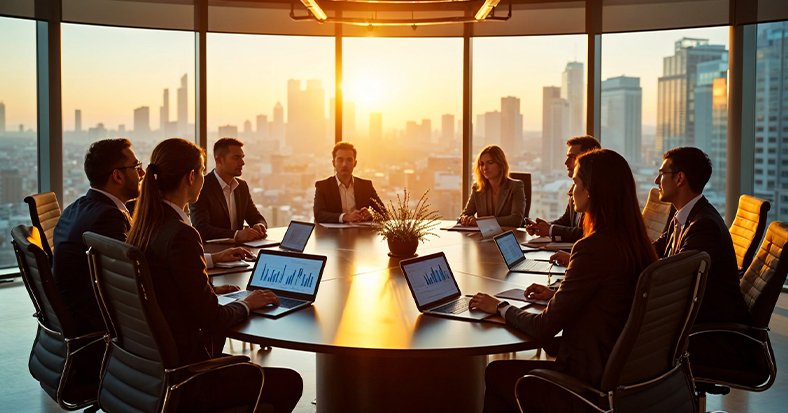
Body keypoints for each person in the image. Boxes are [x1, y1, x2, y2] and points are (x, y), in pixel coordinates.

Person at [469, 149, 657, 413]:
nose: (571, 191)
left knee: (497, 372)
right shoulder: (636, 242)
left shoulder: (592, 248)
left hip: (586, 381)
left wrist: (500, 306)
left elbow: (544, 326)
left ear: (592, 191)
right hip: (624, 375)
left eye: (576, 183)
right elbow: (605, 292)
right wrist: (558, 293)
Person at [127, 138, 302, 413]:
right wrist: (248, 302)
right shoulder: (181, 234)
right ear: (191, 176)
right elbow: (213, 319)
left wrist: (209, 290)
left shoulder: (144, 225)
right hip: (189, 377)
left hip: (148, 370)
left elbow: (168, 285)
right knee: (290, 381)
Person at [652, 147, 751, 368]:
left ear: (679, 179)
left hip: (709, 336)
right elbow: (653, 252)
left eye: (662, 173)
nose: (657, 179)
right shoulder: (684, 216)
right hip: (692, 323)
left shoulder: (703, 225)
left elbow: (677, 280)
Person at [53, 138, 143, 334]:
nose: (142, 173)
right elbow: (132, 280)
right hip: (99, 325)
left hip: (74, 317)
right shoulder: (108, 218)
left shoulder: (77, 207)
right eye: (136, 167)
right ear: (117, 176)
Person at [190, 137, 268, 242]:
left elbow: (255, 216)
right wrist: (236, 235)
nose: (242, 162)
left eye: (242, 157)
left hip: (240, 251)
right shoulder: (202, 187)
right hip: (214, 253)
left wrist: (259, 225)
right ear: (219, 160)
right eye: (236, 158)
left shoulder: (242, 186)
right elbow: (201, 229)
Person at [525, 135, 600, 242]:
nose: (566, 162)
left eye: (572, 157)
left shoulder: (597, 192)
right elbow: (566, 221)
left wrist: (551, 230)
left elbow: (587, 233)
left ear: (587, 158)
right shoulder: (575, 188)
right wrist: (543, 227)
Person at [313, 141, 383, 223]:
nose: (344, 164)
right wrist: (344, 217)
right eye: (340, 160)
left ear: (355, 163)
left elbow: (384, 212)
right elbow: (318, 214)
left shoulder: (366, 186)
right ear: (333, 163)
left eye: (349, 160)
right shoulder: (323, 186)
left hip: (361, 234)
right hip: (333, 235)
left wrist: (371, 214)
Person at [459, 145, 525, 227]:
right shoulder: (477, 188)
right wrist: (465, 219)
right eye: (481, 164)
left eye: (490, 163)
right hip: (482, 238)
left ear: (501, 165)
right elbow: (464, 215)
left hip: (506, 237)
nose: (484, 168)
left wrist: (481, 222)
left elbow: (516, 220)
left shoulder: (515, 186)